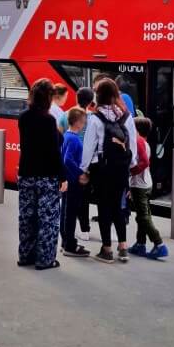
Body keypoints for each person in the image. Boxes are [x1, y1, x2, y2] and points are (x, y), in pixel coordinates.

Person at [80, 78, 137, 264]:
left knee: (104, 207)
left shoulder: (95, 118)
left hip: (102, 169)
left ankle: (106, 249)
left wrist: (84, 169)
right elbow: (132, 145)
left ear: (98, 95)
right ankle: (123, 246)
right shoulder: (126, 117)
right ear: (115, 94)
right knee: (118, 207)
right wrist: (129, 165)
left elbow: (89, 147)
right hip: (121, 168)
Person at [17, 78, 67, 270]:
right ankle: (45, 259)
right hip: (46, 176)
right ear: (47, 98)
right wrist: (63, 177)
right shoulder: (49, 121)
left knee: (27, 217)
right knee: (47, 219)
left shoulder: (23, 117)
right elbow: (54, 152)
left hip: (26, 173)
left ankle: (25, 256)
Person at [128, 117, 169, 260]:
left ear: (136, 130)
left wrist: (132, 172)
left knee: (143, 217)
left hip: (139, 184)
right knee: (142, 215)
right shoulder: (144, 143)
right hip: (145, 183)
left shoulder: (138, 141)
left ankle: (159, 244)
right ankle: (140, 244)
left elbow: (144, 162)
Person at [60, 107, 90, 258]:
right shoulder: (74, 139)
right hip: (74, 181)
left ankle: (66, 242)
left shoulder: (66, 136)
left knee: (66, 212)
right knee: (71, 213)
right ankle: (70, 245)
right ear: (78, 122)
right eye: (84, 121)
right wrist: (80, 174)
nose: (85, 124)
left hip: (68, 180)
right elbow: (67, 160)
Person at [75, 87, 95, 242]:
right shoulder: (93, 118)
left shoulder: (70, 116)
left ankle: (80, 228)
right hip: (88, 162)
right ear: (90, 101)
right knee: (85, 197)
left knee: (74, 197)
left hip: (74, 161)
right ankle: (85, 229)